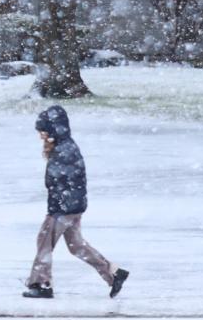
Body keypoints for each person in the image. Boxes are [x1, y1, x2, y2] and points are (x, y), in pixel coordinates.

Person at [23, 105, 129, 299]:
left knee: (44, 243)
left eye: (44, 132)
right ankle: (113, 273)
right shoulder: (65, 148)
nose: (41, 137)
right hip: (71, 207)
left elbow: (65, 183)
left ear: (54, 130)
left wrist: (58, 210)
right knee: (77, 246)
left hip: (63, 209)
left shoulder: (64, 151)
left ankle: (41, 284)